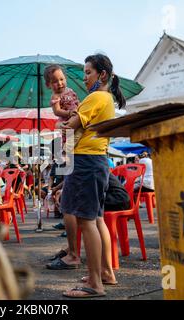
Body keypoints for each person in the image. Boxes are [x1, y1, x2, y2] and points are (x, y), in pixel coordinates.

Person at [57, 54, 126, 298]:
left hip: (85, 160)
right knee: (96, 219)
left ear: (102, 75)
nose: (84, 78)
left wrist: (60, 115)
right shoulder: (106, 99)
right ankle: (105, 273)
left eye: (88, 73)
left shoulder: (96, 97)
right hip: (97, 160)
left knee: (87, 221)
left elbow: (69, 126)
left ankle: (95, 283)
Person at [44, 65, 82, 154]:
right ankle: (65, 152)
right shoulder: (55, 96)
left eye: (62, 79)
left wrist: (80, 107)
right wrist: (69, 113)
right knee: (68, 138)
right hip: (66, 121)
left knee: (78, 136)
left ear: (65, 79)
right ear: (48, 85)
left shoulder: (70, 90)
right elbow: (56, 111)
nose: (60, 83)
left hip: (76, 117)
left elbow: (77, 101)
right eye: (55, 81)